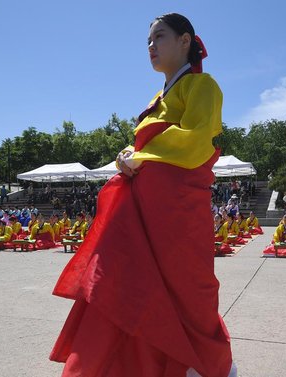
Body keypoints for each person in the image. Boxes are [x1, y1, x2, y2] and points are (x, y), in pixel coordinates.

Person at [50, 13, 235, 377]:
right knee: (132, 279)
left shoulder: (202, 85)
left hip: (177, 206)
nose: (151, 46)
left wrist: (142, 155)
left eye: (159, 37)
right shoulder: (157, 96)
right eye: (148, 41)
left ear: (185, 40)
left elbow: (197, 138)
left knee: (186, 284)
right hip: (144, 202)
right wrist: (125, 156)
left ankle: (200, 361)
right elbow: (144, 144)